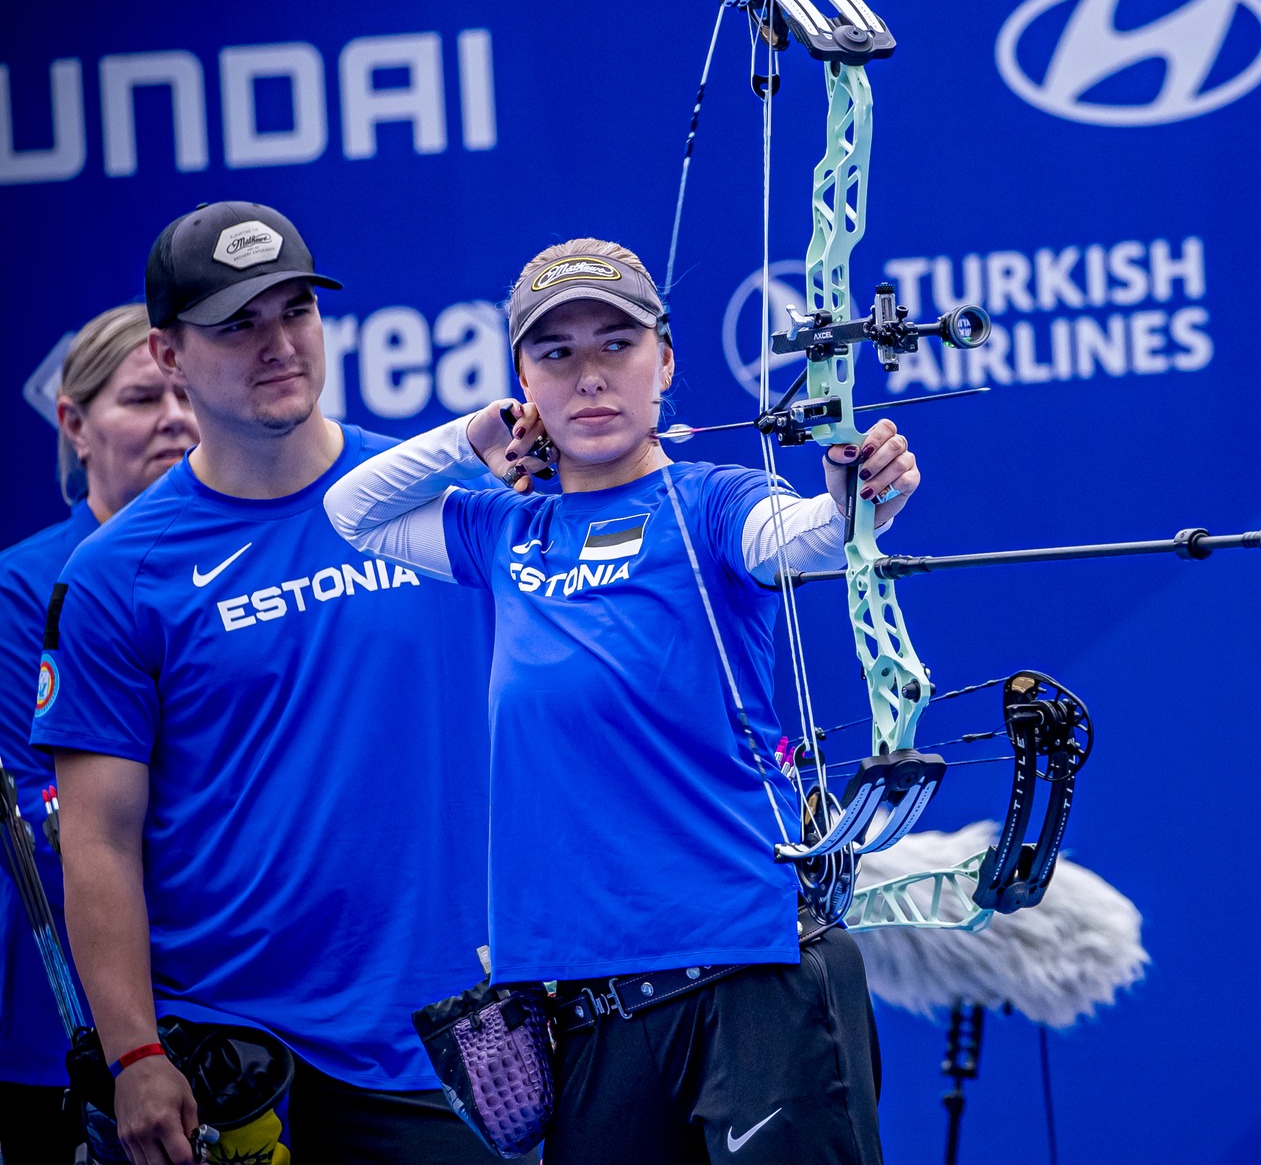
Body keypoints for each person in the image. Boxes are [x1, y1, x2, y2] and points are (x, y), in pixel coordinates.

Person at [325, 239, 904, 1164]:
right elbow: (352, 512)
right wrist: (481, 434)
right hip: (590, 1008)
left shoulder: (715, 502)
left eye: (617, 345)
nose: (589, 376)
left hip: (751, 981)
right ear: (523, 379)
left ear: (665, 362)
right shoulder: (504, 528)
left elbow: (800, 537)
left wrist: (852, 498)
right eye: (556, 353)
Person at [31, 201, 508, 1165]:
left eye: (294, 311)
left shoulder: (446, 501)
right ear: (168, 354)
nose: (277, 343)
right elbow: (96, 839)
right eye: (237, 322)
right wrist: (133, 1053)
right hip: (236, 1070)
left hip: (443, 1046)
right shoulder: (118, 573)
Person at [0, 303, 197, 1165]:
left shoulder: (226, 564)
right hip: (66, 1026)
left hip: (226, 999)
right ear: (75, 425)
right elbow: (47, 815)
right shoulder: (28, 585)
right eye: (144, 398)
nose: (177, 421)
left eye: (186, 396)